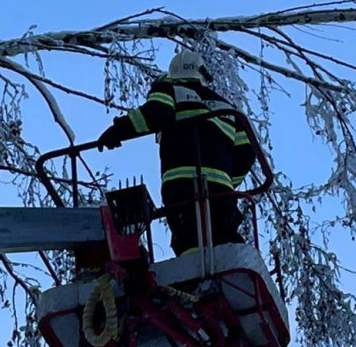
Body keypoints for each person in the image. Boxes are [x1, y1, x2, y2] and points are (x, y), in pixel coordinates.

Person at [97, 50, 256, 256]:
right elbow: (247, 153)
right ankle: (232, 275)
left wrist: (118, 130)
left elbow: (156, 114)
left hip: (181, 183)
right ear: (203, 75)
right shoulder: (227, 107)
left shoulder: (169, 88)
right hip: (220, 188)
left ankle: (195, 285)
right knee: (223, 235)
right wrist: (226, 180)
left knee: (189, 239)